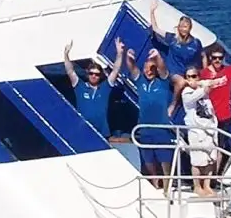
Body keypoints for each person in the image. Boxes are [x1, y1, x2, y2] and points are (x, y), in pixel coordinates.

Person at [121, 48, 176, 187]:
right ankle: (154, 180)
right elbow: (132, 68)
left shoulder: (162, 82)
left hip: (161, 127)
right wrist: (129, 57)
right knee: (148, 159)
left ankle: (167, 184)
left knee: (165, 158)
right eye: (146, 69)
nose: (149, 71)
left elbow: (163, 68)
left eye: (152, 68)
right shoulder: (141, 82)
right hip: (144, 127)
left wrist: (157, 56)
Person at [62, 42, 115, 137]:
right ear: (88, 74)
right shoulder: (79, 86)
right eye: (91, 73)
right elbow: (70, 71)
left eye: (97, 74)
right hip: (83, 130)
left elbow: (116, 71)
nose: (94, 76)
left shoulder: (105, 88)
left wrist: (120, 53)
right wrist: (66, 55)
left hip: (102, 132)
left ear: (101, 76)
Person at [179, 78, 221, 196]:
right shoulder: (186, 93)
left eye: (195, 76)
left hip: (210, 129)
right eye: (189, 76)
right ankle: (197, 186)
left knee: (210, 160)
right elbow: (204, 90)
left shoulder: (201, 88)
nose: (192, 79)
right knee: (197, 161)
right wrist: (204, 84)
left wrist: (203, 83)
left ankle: (207, 186)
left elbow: (217, 81)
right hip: (197, 132)